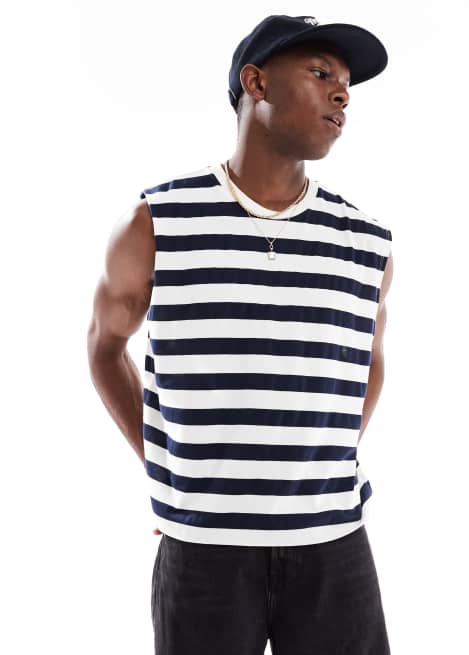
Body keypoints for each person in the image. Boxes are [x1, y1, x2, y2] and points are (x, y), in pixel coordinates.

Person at [87, 14, 394, 655]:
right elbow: (104, 347)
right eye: (320, 73)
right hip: (204, 548)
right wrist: (167, 469)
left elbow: (368, 362)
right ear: (256, 83)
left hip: (333, 544)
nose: (342, 94)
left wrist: (310, 464)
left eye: (346, 83)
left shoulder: (366, 242)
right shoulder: (157, 222)